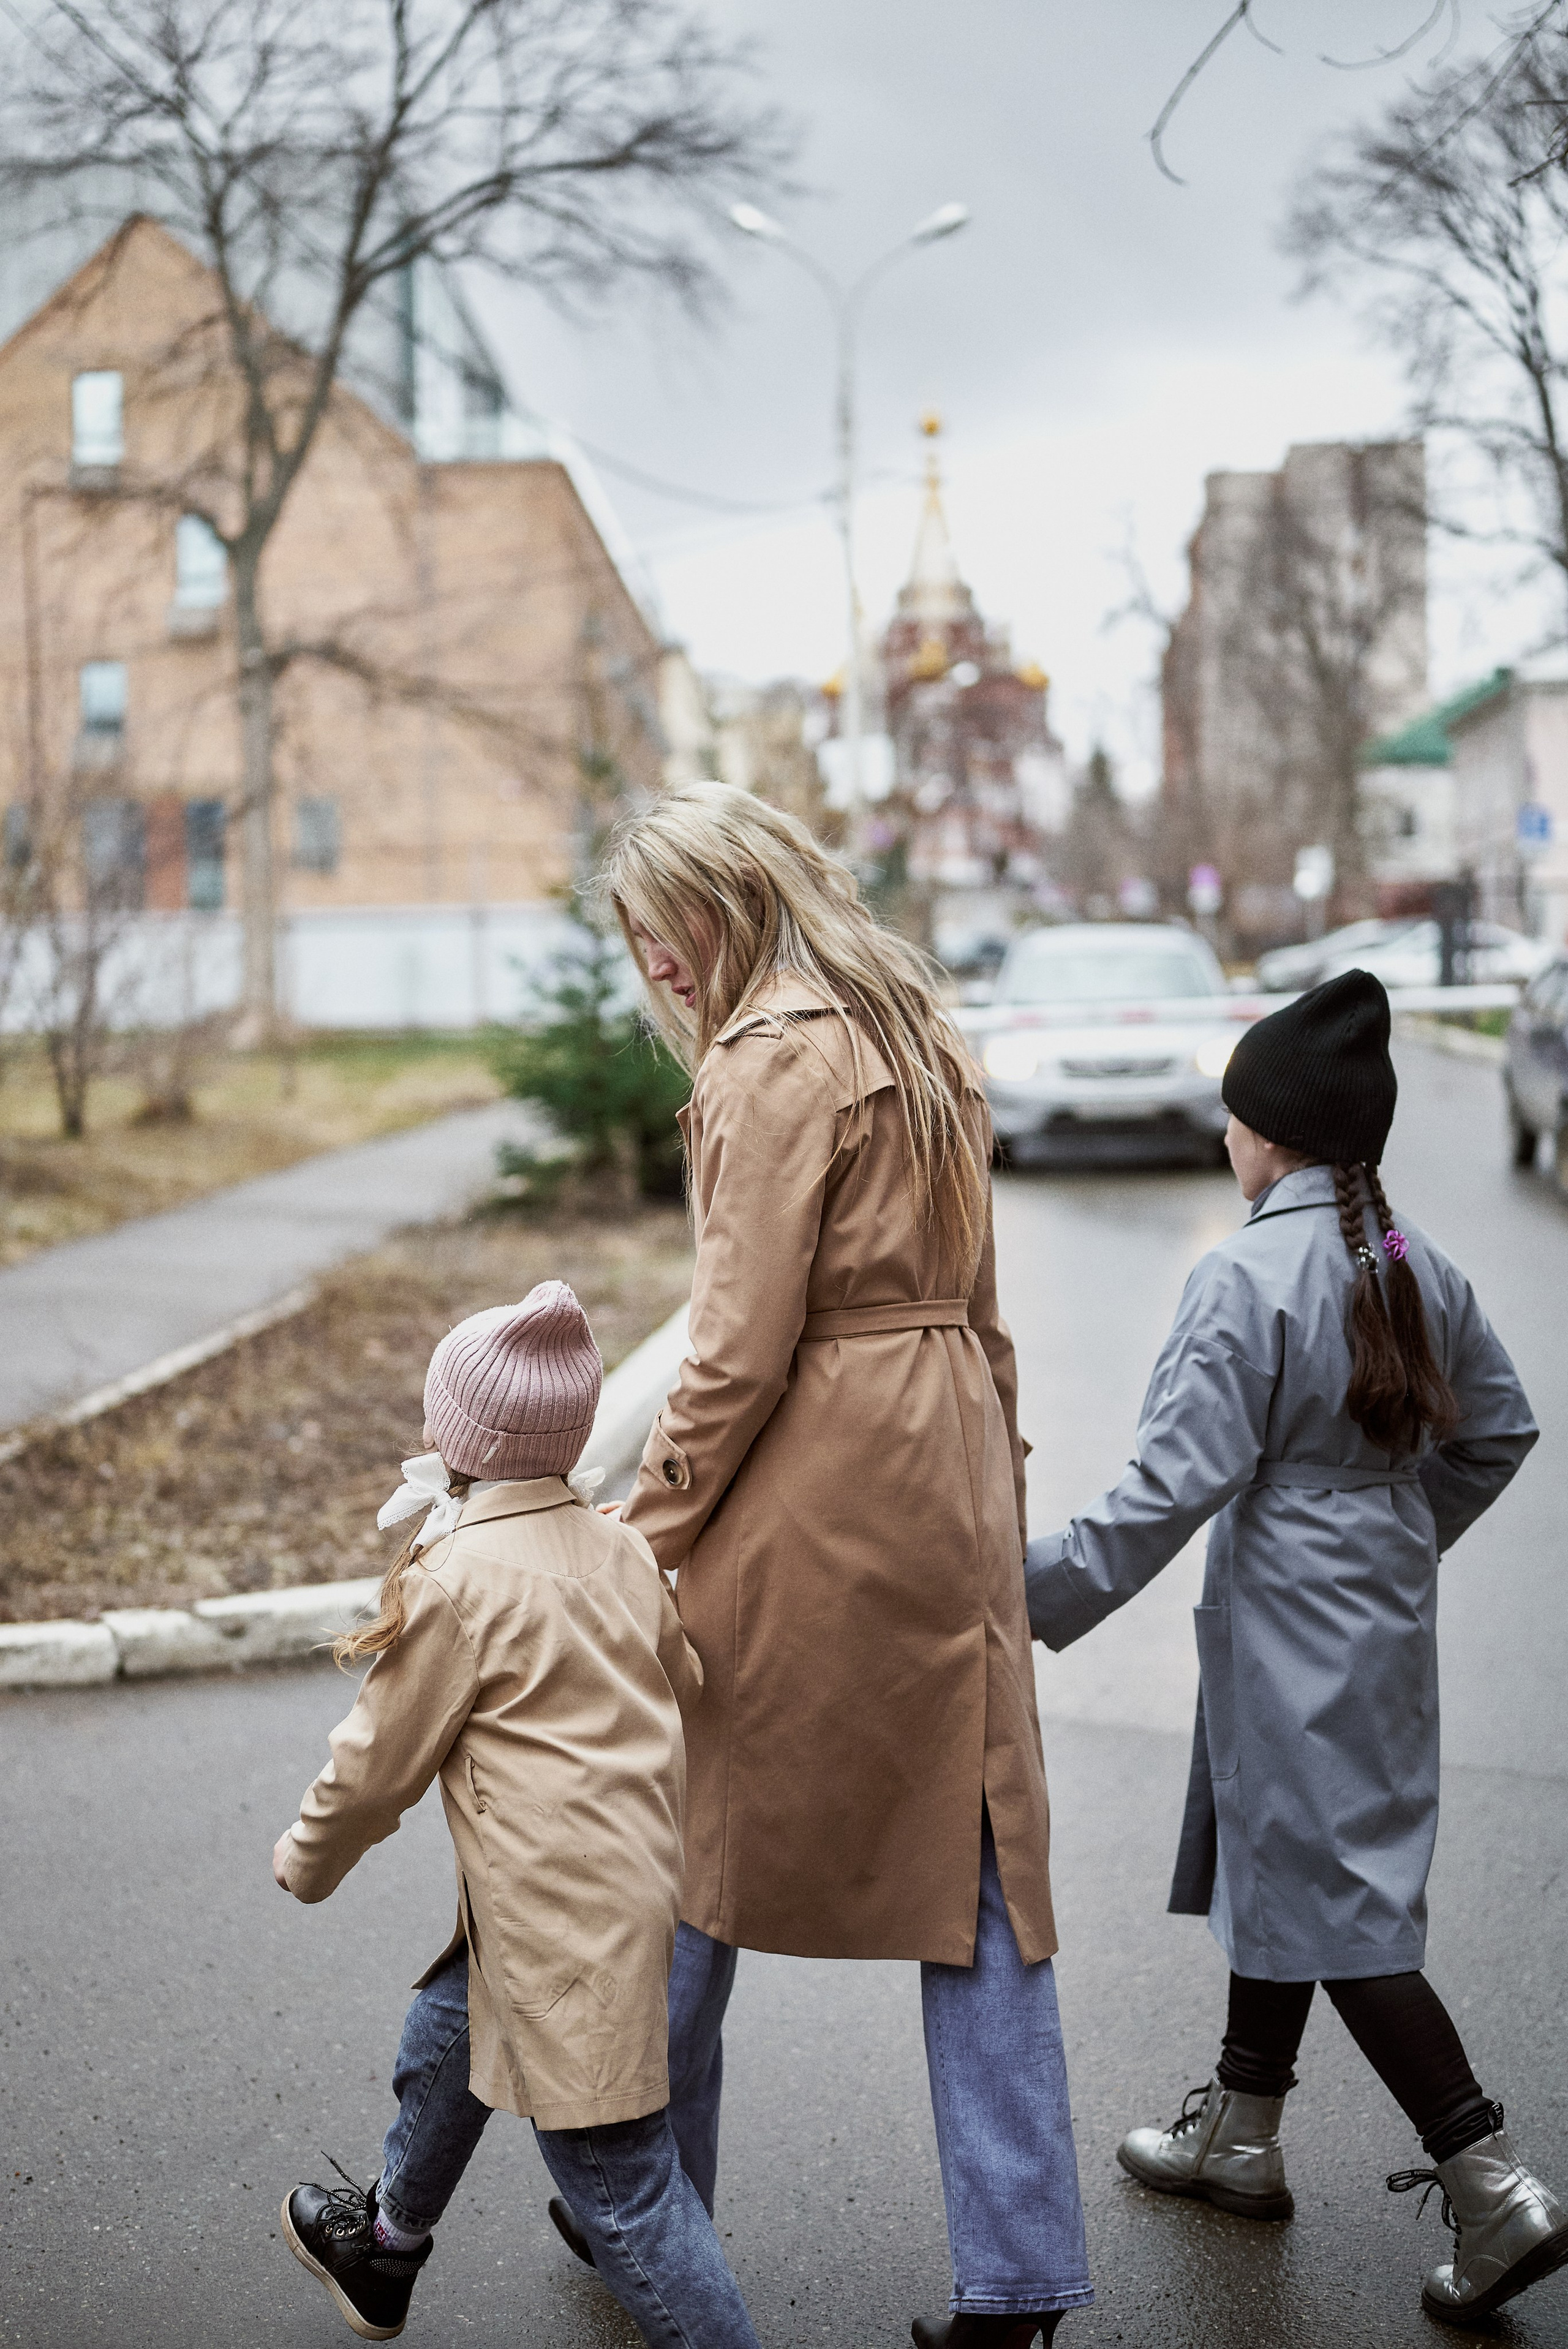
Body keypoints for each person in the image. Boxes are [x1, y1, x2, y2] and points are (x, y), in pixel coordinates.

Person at [551, 782, 1093, 2349]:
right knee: (980, 1858)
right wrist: (995, 1462)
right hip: (946, 1458)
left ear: (725, 904)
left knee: (687, 1825)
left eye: (665, 933)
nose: (655, 967)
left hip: (821, 1476)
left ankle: (628, 2188)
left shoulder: (769, 1053)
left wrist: (635, 1537)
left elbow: (733, 1350)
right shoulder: (913, 1020)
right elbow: (981, 1296)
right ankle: (1016, 2276)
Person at [1024, 970, 1567, 2329]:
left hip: (1284, 1619)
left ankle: (1489, 2181)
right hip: (1377, 1606)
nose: (1223, 1136)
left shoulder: (1245, 1272)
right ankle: (1240, 2132)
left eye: (1232, 1116)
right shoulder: (1400, 1254)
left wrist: (1014, 1592)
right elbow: (1495, 1431)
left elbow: (1163, 1491)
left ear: (1268, 1134)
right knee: (1304, 1854)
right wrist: (1388, 1529)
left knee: (1335, 1896)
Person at [270, 1280, 760, 2349]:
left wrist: (306, 1859)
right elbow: (683, 1681)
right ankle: (387, 2248)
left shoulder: (457, 1580)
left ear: (455, 1434)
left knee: (625, 2193)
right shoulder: (622, 1549)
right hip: (616, 1898)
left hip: (561, 1929)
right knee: (448, 2023)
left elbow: (373, 1767)